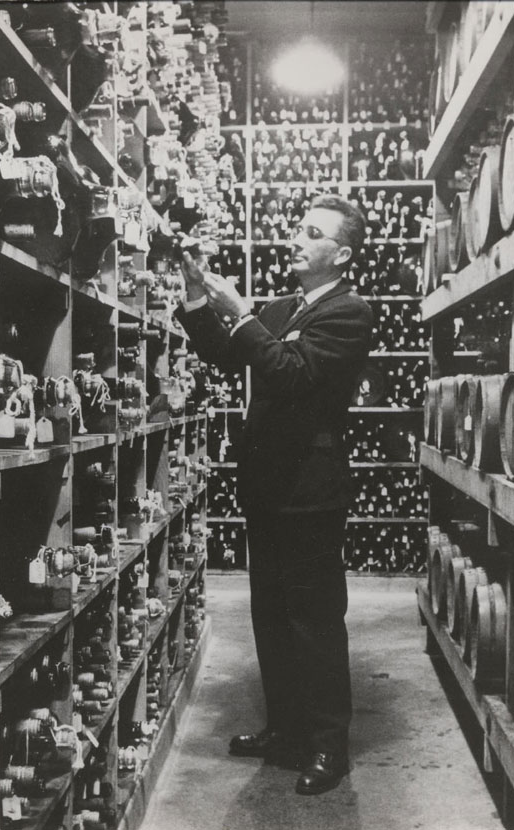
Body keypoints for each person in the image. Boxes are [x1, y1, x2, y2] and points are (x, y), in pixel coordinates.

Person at [175, 194, 373, 795]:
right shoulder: (286, 304)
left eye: (311, 232)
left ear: (340, 254)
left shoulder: (350, 313)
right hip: (267, 488)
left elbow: (288, 372)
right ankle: (286, 729)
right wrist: (195, 294)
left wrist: (240, 313)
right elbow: (226, 353)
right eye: (297, 227)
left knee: (313, 621)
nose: (295, 237)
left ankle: (327, 748)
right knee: (271, 616)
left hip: (310, 493)